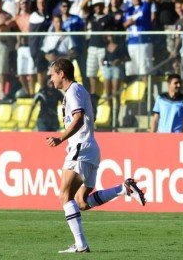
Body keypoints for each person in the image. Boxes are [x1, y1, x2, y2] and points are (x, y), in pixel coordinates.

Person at [45, 58, 145, 254]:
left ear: (61, 74)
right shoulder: (78, 90)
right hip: (90, 148)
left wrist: (60, 138)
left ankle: (81, 245)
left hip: (80, 147)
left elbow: (79, 118)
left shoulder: (73, 91)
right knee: (81, 201)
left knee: (65, 195)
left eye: (52, 74)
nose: (50, 78)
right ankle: (122, 189)